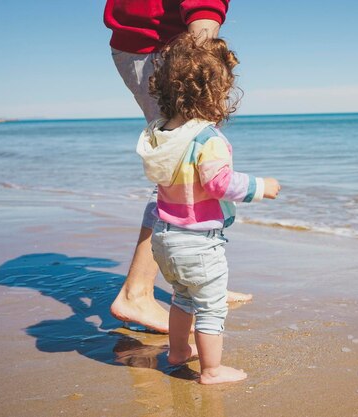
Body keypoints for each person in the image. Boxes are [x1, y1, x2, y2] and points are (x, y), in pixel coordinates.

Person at [137, 33, 280, 383]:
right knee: (211, 306)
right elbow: (220, 183)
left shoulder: (162, 133)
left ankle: (178, 351)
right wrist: (262, 187)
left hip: (164, 238)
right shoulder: (207, 139)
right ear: (215, 94)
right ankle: (212, 371)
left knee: (182, 298)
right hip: (198, 242)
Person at [104, 0, 251, 333]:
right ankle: (137, 293)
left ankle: (201, 281)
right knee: (184, 169)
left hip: (155, 44)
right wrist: (203, 65)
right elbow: (203, 7)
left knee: (189, 164)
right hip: (158, 48)